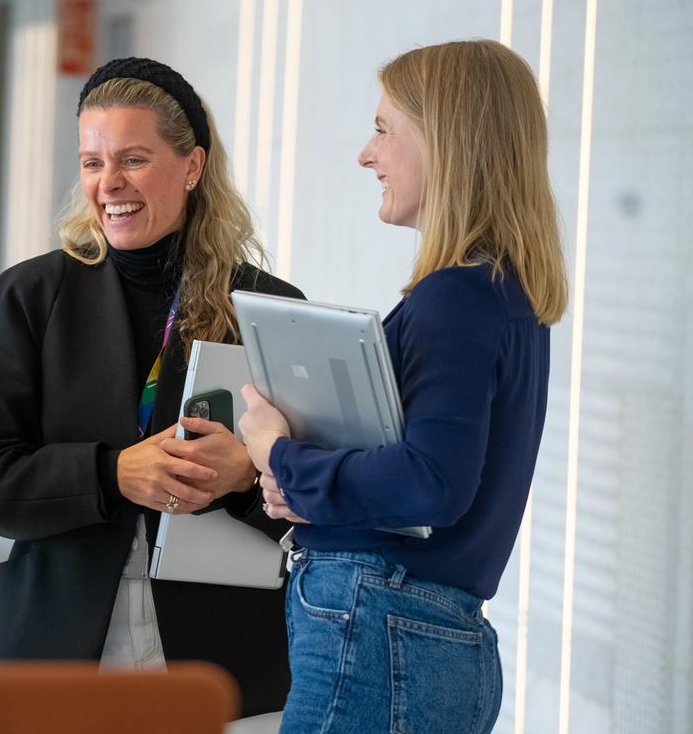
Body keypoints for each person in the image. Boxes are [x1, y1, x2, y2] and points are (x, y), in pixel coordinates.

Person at [0, 57, 303, 721]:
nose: (109, 184)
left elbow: (322, 492)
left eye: (133, 159)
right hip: (58, 641)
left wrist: (248, 476)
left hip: (230, 656)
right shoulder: (28, 298)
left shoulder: (267, 309)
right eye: (92, 162)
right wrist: (109, 473)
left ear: (192, 166)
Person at [238, 39, 569, 734]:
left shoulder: (455, 297)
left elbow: (431, 483)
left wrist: (279, 454)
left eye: (384, 129)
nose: (367, 154)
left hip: (381, 623)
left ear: (447, 141)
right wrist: (307, 489)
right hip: (429, 634)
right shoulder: (503, 294)